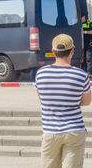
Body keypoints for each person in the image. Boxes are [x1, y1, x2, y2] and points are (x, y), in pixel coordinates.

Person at [35, 34, 91, 168]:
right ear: (72, 51)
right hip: (74, 131)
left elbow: (42, 98)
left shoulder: (41, 74)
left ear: (53, 52)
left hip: (50, 132)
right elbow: (87, 101)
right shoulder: (81, 75)